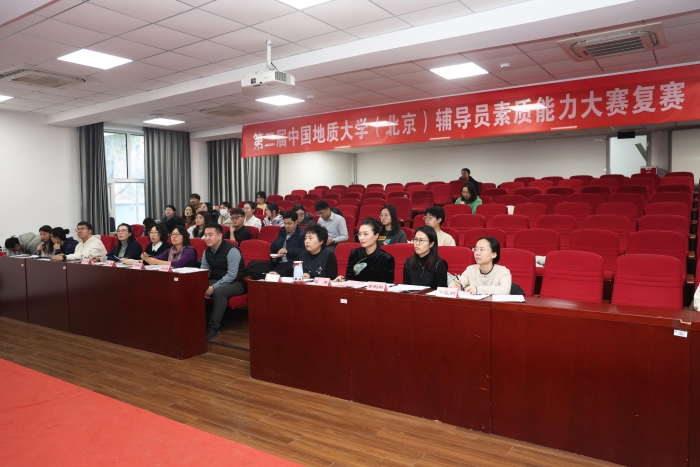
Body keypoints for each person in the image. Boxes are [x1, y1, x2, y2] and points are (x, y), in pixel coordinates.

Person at [200, 223, 246, 339]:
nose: (207, 238)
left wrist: (213, 287)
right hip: (217, 280)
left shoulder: (232, 250)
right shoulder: (207, 251)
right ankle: (197, 321)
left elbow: (231, 275)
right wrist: (202, 284)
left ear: (220, 235)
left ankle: (213, 326)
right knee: (194, 286)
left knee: (220, 291)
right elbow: (204, 272)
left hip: (236, 282)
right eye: (205, 235)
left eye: (210, 235)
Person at [334, 218, 394, 283]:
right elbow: (350, 278)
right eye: (360, 234)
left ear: (376, 236)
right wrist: (343, 280)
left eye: (365, 234)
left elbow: (387, 285)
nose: (361, 238)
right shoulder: (355, 253)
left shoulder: (386, 258)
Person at [271, 224, 338, 279]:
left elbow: (332, 279)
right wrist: (277, 273)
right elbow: (289, 271)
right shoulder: (302, 255)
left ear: (321, 241)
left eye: (310, 238)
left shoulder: (329, 256)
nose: (306, 241)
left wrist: (311, 277)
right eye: (305, 238)